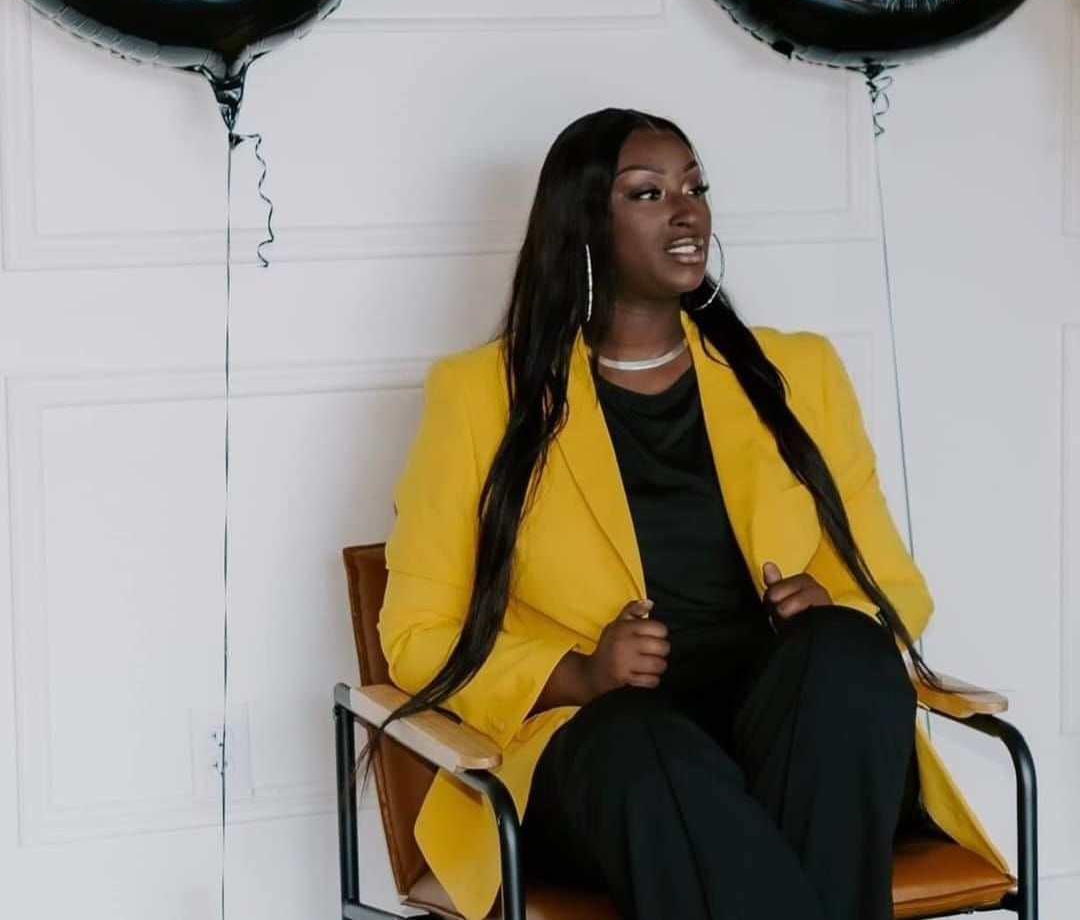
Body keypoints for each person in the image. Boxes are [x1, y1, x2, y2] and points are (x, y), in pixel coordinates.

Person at [371, 108, 1009, 920]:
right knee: (641, 740)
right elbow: (417, 632)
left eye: (695, 188)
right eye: (648, 193)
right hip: (612, 766)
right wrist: (580, 675)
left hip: (793, 754)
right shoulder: (478, 397)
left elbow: (893, 587)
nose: (687, 211)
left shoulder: (797, 372)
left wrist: (829, 604)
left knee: (847, 648)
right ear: (584, 226)